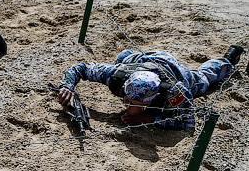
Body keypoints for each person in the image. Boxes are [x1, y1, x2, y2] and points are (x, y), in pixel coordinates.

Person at [55, 45, 242, 130]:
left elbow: (187, 122)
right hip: (137, 60)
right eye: (126, 99)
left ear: (155, 97)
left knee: (204, 79)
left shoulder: (176, 91)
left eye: (135, 103)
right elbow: (81, 67)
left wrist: (152, 118)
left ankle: (227, 60)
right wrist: (67, 86)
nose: (128, 106)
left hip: (173, 69)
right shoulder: (116, 76)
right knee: (122, 56)